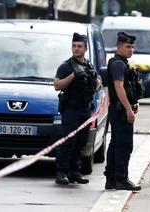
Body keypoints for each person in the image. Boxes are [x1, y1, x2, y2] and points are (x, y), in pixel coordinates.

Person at [54, 32, 99, 185]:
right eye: (74, 46)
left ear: (85, 48)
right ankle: (61, 172)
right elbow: (57, 85)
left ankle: (74, 172)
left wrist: (94, 80)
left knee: (81, 142)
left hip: (85, 109)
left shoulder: (88, 64)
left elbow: (97, 82)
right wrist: (73, 76)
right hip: (71, 109)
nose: (76, 49)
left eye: (79, 46)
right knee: (68, 142)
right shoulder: (66, 65)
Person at [104, 32, 143, 191]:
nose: (131, 49)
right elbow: (119, 88)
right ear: (119, 47)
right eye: (128, 46)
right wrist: (128, 109)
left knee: (116, 144)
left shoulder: (121, 63)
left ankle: (112, 179)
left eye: (132, 46)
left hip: (120, 110)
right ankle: (121, 179)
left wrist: (134, 103)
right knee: (124, 145)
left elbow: (127, 87)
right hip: (120, 111)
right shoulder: (118, 64)